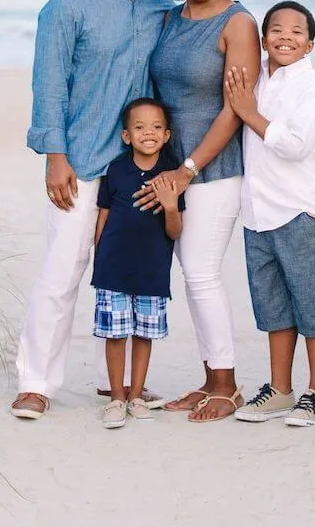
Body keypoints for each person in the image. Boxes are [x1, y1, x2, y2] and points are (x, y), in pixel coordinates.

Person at [11, 0, 174, 420]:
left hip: (137, 167)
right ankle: (35, 382)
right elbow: (49, 83)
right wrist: (54, 155)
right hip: (80, 161)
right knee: (62, 273)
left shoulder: (163, 10)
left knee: (128, 275)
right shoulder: (69, 1)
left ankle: (120, 385)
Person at [139, 0, 261, 423]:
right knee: (192, 276)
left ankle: (227, 384)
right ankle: (211, 378)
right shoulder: (170, 19)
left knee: (202, 272)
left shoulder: (239, 24)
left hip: (214, 169)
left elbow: (235, 110)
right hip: (172, 169)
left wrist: (189, 168)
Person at [225, 0, 315, 426]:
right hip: (257, 211)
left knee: (313, 303)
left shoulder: (312, 87)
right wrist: (246, 105)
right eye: (276, 29)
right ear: (262, 39)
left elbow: (294, 145)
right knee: (273, 306)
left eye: (296, 32)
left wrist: (249, 114)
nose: (285, 37)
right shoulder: (258, 81)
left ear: (309, 45)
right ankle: (279, 390)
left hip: (299, 209)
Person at [91, 98, 185, 429]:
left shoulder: (172, 174)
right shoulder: (116, 170)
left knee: (143, 335)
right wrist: (98, 256)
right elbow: (103, 215)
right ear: (127, 136)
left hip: (152, 270)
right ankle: (116, 398)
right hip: (112, 268)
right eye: (140, 127)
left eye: (157, 127)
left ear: (167, 134)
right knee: (115, 334)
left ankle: (135, 395)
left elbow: (175, 231)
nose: (149, 133)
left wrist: (170, 206)